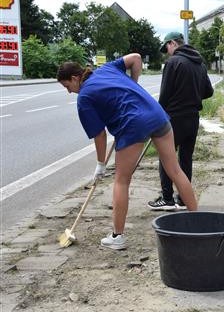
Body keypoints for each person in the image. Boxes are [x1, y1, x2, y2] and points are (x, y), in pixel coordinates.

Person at [57, 54, 198, 250]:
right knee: (175, 170)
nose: (69, 91)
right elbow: (136, 58)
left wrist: (100, 165)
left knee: (121, 180)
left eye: (67, 86)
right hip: (156, 114)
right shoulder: (106, 69)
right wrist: (133, 84)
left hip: (133, 124)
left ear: (74, 78)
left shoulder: (84, 97)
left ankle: (117, 237)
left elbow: (99, 135)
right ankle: (198, 222)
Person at [147, 32, 214, 211]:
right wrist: (192, 95)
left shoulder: (173, 62)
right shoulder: (199, 62)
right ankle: (184, 199)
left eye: (167, 47)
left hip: (173, 118)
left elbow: (165, 94)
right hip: (193, 118)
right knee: (186, 158)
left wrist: (156, 116)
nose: (167, 52)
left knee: (166, 157)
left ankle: (167, 198)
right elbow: (209, 91)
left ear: (173, 43)